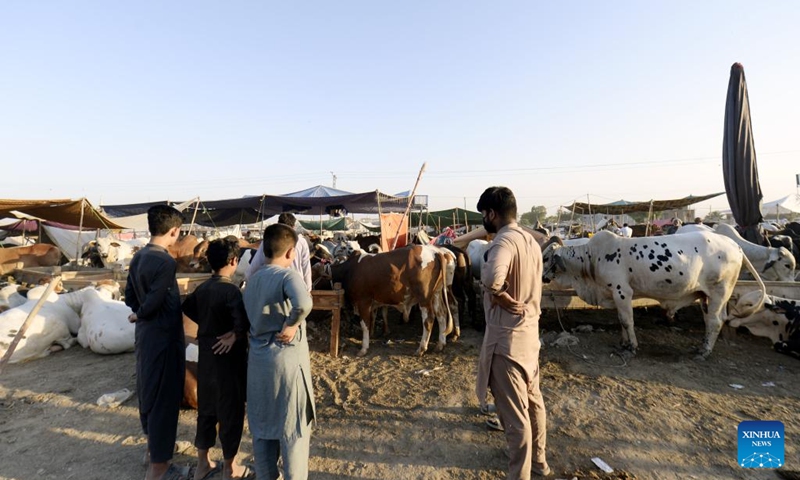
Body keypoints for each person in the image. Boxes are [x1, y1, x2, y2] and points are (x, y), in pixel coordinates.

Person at [475, 186, 550, 479]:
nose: (484, 219)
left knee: (514, 416)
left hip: (506, 341)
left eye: (484, 214)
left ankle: (520, 474)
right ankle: (540, 462)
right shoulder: (531, 241)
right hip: (530, 336)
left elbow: (493, 280)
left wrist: (500, 295)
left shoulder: (503, 242)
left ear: (492, 214)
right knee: (533, 402)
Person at [243, 223, 315, 480]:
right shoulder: (287, 276)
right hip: (286, 362)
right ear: (290, 252)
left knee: (262, 429)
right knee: (293, 430)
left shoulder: (251, 281)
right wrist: (292, 323)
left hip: (258, 364)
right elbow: (304, 302)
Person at [125, 205, 189, 480]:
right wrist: (142, 312)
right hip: (164, 336)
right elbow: (153, 303)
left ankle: (153, 449)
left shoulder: (139, 256)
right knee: (165, 396)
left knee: (148, 390)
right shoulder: (165, 261)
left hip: (146, 335)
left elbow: (130, 296)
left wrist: (138, 313)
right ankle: (160, 469)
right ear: (174, 231)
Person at [182, 238, 252, 480]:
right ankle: (230, 469)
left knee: (207, 411)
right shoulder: (231, 291)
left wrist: (208, 329)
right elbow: (242, 322)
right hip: (228, 363)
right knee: (230, 413)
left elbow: (188, 308)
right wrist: (235, 334)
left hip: (206, 360)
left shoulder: (202, 288)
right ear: (234, 261)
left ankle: (203, 464)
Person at [245, 213, 312, 291]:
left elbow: (255, 266)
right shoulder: (301, 242)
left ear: (278, 225)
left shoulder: (269, 240)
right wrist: (308, 289)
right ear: (293, 227)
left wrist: (249, 282)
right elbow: (306, 267)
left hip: (273, 286)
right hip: (296, 287)